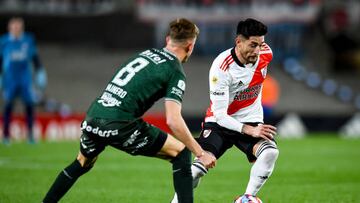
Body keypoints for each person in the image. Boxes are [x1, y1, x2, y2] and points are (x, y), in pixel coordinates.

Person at [42, 18, 216, 203]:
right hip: (120, 122)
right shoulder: (175, 70)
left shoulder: (146, 54)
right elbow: (173, 120)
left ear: (167, 40)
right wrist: (200, 152)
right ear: (190, 46)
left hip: (94, 115)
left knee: (82, 163)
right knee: (181, 153)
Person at [171, 18, 279, 203]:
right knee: (196, 170)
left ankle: (247, 198)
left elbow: (260, 55)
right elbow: (220, 116)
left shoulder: (266, 53)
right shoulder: (221, 67)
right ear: (238, 41)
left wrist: (252, 126)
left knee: (270, 152)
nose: (257, 51)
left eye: (261, 45)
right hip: (220, 122)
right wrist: (250, 130)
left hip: (250, 119)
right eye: (253, 45)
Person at [0, 17, 47, 145]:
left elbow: (35, 58)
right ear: (9, 28)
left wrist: (40, 72)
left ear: (22, 28)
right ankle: (5, 136)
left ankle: (31, 136)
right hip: (10, 81)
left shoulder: (28, 40)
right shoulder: (4, 42)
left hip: (25, 80)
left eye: (19, 27)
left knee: (29, 107)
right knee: (8, 107)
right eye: (14, 27)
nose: (16, 29)